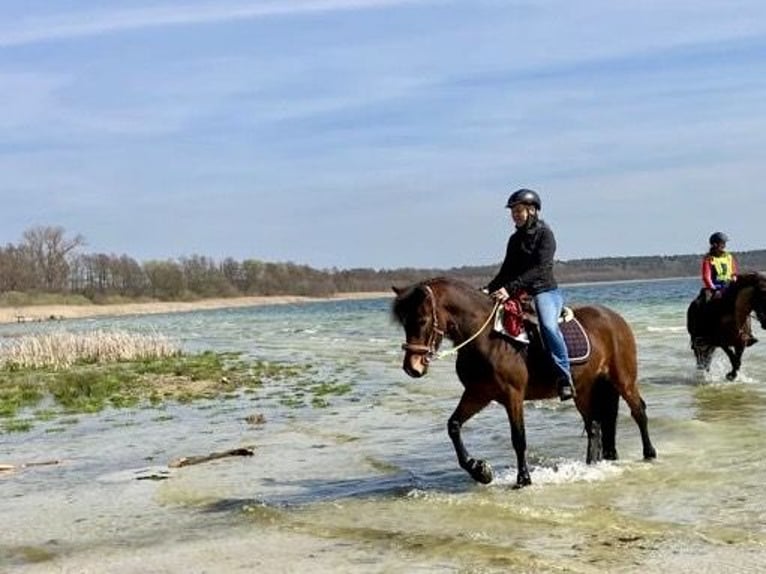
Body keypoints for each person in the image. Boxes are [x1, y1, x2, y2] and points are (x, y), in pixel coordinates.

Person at [484, 188, 575, 401]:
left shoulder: (546, 235)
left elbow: (539, 269)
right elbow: (506, 270)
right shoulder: (514, 240)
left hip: (544, 291)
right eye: (513, 211)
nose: (515, 214)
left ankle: (564, 378)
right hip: (519, 291)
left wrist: (509, 289)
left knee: (548, 326)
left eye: (519, 210)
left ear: (532, 211)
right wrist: (489, 289)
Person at [701, 231, 737, 301]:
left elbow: (734, 272)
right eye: (722, 243)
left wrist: (734, 279)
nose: (724, 246)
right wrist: (714, 290)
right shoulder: (709, 259)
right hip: (715, 287)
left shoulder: (729, 257)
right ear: (715, 244)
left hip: (729, 286)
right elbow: (706, 278)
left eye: (724, 243)